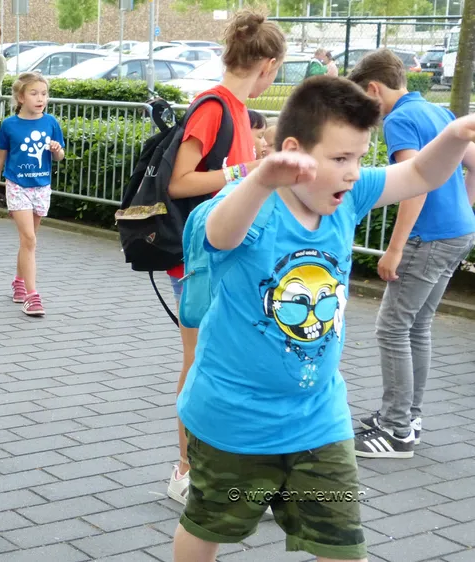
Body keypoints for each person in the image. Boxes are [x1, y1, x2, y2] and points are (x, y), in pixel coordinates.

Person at [173, 74, 475, 562]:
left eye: (359, 157)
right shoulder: (252, 205)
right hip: (235, 419)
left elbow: (421, 174)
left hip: (318, 418)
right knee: (209, 524)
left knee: (341, 542)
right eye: (340, 159)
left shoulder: (346, 198)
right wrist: (261, 180)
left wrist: (456, 135)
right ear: (295, 151)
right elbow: (220, 235)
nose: (353, 172)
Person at [163, 10, 284, 505]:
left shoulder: (235, 108)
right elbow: (181, 182)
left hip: (224, 258)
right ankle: (186, 471)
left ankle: (219, 468)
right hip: (200, 260)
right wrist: (246, 171)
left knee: (223, 363)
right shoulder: (215, 106)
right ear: (269, 65)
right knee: (200, 363)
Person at [348, 49, 475, 459]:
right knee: (417, 327)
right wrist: (463, 208)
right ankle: (406, 416)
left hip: (428, 238)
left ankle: (396, 430)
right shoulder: (439, 112)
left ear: (373, 89)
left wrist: (395, 248)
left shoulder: (399, 119)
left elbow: (414, 184)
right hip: (458, 232)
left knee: (392, 329)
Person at [0, 72, 66, 316]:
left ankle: (19, 282)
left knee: (28, 241)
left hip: (41, 186)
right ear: (21, 97)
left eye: (44, 94)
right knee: (29, 239)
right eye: (34, 93)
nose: (40, 98)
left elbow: (60, 156)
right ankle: (32, 297)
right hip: (17, 186)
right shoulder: (10, 125)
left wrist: (56, 150)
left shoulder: (51, 122)